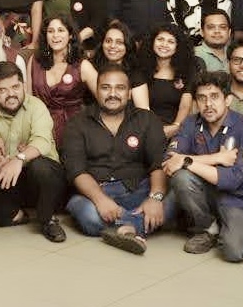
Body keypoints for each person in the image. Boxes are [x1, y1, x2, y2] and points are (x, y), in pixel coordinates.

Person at [63, 64, 174, 254]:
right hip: (95, 192)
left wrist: (155, 197)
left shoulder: (146, 119)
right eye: (106, 88)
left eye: (120, 88)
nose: (112, 94)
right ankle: (138, 225)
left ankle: (123, 227)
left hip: (139, 189)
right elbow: (76, 170)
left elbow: (158, 163)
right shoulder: (78, 123)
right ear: (97, 91)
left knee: (175, 195)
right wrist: (100, 200)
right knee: (85, 212)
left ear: (129, 93)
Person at [164, 71, 243, 263]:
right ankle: (208, 228)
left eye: (214, 97)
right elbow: (169, 163)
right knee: (181, 178)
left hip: (240, 200)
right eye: (202, 98)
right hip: (204, 197)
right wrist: (216, 158)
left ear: (228, 99)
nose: (208, 104)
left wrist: (186, 160)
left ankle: (235, 229)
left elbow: (233, 179)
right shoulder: (190, 123)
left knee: (234, 252)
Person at [0, 62, 66, 242]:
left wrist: (19, 159)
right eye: (2, 90)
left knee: (41, 166)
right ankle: (16, 215)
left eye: (15, 87)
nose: (11, 94)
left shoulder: (36, 106)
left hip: (42, 182)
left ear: (24, 86)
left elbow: (42, 141)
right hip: (11, 181)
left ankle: (48, 220)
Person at [29, 16, 95, 146]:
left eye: (61, 30)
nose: (55, 35)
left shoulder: (83, 66)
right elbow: (28, 101)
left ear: (70, 35)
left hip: (74, 130)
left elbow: (104, 95)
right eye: (50, 31)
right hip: (40, 128)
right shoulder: (34, 61)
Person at [130, 25, 195, 139]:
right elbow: (143, 110)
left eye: (171, 41)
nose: (164, 44)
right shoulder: (140, 71)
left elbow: (185, 106)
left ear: (178, 46)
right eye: (160, 39)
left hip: (178, 130)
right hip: (145, 129)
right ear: (152, 42)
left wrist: (176, 127)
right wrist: (157, 132)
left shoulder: (186, 72)